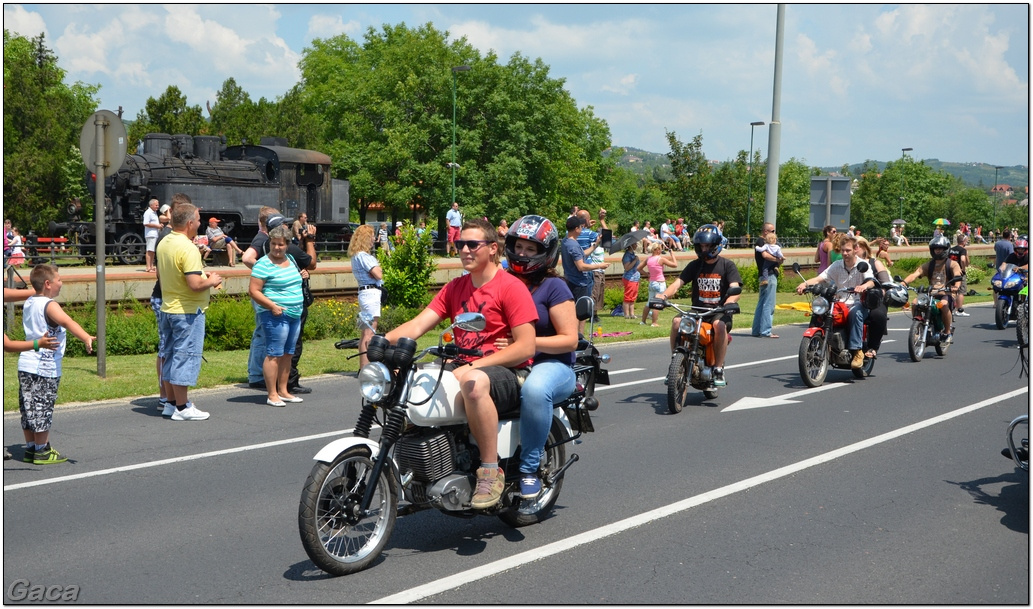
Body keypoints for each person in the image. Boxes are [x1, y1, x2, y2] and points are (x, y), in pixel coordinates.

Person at [385, 218, 538, 509]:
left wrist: (478, 366)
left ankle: (490, 471)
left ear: (493, 248)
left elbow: (526, 346)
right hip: (463, 366)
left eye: (472, 244)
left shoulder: (511, 287)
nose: (465, 250)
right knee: (411, 383)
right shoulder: (456, 287)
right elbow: (419, 324)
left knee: (473, 382)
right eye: (460, 244)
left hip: (511, 372)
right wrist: (381, 341)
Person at [499, 215, 578, 497]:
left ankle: (528, 468)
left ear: (545, 253)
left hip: (552, 365)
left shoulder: (553, 287)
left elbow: (570, 340)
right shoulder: (502, 281)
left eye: (530, 249)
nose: (522, 254)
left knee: (535, 390)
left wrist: (528, 343)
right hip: (508, 360)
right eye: (518, 247)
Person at [17, 264, 95, 464]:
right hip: (44, 367)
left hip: (26, 364)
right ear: (48, 284)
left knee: (28, 408)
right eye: (59, 279)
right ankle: (42, 450)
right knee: (43, 407)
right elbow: (68, 322)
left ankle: (31, 448)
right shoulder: (49, 305)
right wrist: (86, 337)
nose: (62, 283)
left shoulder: (29, 301)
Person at [156, 200, 224, 421]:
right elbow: (194, 284)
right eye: (197, 219)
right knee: (185, 357)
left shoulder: (165, 242)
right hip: (187, 310)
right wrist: (211, 280)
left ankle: (171, 403)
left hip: (168, 307)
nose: (199, 222)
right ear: (189, 223)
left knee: (171, 355)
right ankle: (184, 407)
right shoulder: (188, 247)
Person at [657, 224, 742, 386]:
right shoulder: (695, 265)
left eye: (708, 246)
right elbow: (677, 283)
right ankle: (676, 361)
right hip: (697, 310)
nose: (704, 249)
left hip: (719, 310)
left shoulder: (727, 265)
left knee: (718, 325)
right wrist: (663, 296)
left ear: (716, 246)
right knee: (676, 322)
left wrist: (730, 302)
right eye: (701, 246)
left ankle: (718, 369)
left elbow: (735, 288)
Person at [796, 234, 875, 369]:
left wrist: (863, 286)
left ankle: (857, 351)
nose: (845, 253)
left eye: (848, 250)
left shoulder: (863, 264)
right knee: (822, 312)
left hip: (857, 302)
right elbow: (820, 278)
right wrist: (804, 284)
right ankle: (816, 344)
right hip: (839, 302)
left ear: (856, 249)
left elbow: (871, 281)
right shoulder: (837, 265)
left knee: (855, 313)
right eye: (843, 250)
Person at [248, 225, 306, 407]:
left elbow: (293, 279)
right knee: (274, 353)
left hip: (294, 313)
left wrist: (302, 275)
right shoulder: (263, 264)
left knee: (288, 353)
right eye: (273, 244)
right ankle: (272, 394)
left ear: (287, 244)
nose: (276, 248)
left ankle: (283, 390)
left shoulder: (290, 259)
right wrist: (272, 306)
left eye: (280, 244)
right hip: (275, 314)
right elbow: (254, 291)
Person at [243, 206, 282, 389]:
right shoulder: (262, 238)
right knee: (261, 332)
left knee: (261, 330)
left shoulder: (265, 238)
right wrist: (265, 271)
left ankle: (256, 371)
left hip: (263, 291)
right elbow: (247, 257)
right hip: (262, 292)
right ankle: (257, 373)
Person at [902, 235, 963, 343]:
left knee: (943, 304)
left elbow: (958, 276)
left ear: (945, 249)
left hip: (947, 293)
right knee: (915, 303)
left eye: (940, 248)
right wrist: (904, 283)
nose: (937, 251)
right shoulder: (929, 265)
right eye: (935, 248)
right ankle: (917, 327)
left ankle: (947, 332)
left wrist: (956, 286)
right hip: (932, 293)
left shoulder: (952, 264)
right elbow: (915, 274)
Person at [561, 215, 607, 335]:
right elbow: (581, 266)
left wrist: (595, 245)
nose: (582, 230)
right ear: (576, 229)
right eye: (581, 227)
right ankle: (579, 337)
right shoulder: (573, 245)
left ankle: (576, 336)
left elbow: (583, 255)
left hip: (571, 280)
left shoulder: (567, 241)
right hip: (579, 283)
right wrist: (599, 266)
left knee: (576, 312)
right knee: (581, 313)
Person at [348, 224, 382, 369]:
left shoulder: (356, 256)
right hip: (371, 294)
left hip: (364, 293)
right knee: (370, 333)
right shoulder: (365, 256)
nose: (374, 239)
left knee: (364, 333)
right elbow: (378, 274)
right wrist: (378, 268)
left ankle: (363, 367)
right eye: (372, 236)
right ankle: (368, 367)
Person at [854, 237, 891, 360]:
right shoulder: (848, 264)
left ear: (864, 248)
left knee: (878, 315)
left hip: (873, 299)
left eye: (856, 247)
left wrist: (880, 292)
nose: (853, 251)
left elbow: (885, 282)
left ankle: (872, 347)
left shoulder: (875, 263)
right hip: (851, 298)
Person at [752, 223, 783, 338]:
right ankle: (766, 330)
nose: (774, 233)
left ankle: (756, 330)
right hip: (769, 275)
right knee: (769, 304)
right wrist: (778, 259)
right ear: (766, 232)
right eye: (773, 231)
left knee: (762, 302)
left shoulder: (762, 242)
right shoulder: (762, 241)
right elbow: (765, 256)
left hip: (763, 275)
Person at [638, 242, 677, 326]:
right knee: (657, 303)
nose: (661, 250)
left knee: (649, 303)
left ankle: (643, 321)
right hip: (660, 283)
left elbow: (639, 268)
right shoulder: (661, 259)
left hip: (652, 282)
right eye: (660, 248)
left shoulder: (648, 259)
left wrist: (647, 274)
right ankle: (654, 322)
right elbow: (675, 265)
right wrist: (672, 255)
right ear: (657, 250)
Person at [948, 234, 970, 316]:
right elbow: (963, 260)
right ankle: (959, 310)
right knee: (961, 291)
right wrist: (963, 269)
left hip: (950, 271)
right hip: (958, 272)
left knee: (952, 289)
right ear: (964, 241)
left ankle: (950, 308)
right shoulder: (962, 250)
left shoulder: (951, 249)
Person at [621, 243, 641, 319]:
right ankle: (626, 314)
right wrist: (635, 260)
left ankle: (632, 314)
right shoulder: (627, 256)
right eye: (635, 244)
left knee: (633, 298)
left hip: (635, 278)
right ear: (631, 246)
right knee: (628, 297)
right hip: (629, 278)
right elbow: (627, 267)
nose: (636, 245)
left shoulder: (633, 254)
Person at [142, 198, 161, 272]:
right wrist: (157, 226)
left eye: (158, 205)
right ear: (151, 205)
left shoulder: (154, 212)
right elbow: (145, 223)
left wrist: (159, 225)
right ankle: (148, 267)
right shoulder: (148, 212)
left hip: (154, 234)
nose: (157, 206)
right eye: (156, 205)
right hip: (150, 234)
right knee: (149, 250)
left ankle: (151, 266)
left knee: (152, 251)